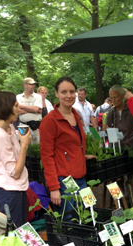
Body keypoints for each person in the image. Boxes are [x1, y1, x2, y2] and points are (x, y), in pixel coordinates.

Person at [40, 76, 92, 213]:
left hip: (81, 177)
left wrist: (81, 156)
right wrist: (53, 187)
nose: (68, 96)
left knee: (87, 215)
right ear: (56, 94)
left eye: (71, 91)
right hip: (63, 181)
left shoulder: (76, 115)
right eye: (64, 92)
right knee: (70, 222)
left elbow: (70, 145)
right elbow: (46, 156)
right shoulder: (50, 120)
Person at [0, 91, 32, 227]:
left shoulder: (10, 128)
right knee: (15, 236)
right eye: (16, 106)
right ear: (5, 107)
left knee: (21, 230)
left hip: (18, 190)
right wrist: (24, 145)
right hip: (9, 192)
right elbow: (15, 172)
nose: (19, 109)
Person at [104, 85, 133, 149]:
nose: (113, 100)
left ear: (122, 96)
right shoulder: (111, 112)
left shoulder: (131, 110)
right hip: (117, 148)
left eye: (116, 97)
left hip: (131, 148)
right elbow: (105, 128)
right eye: (111, 98)